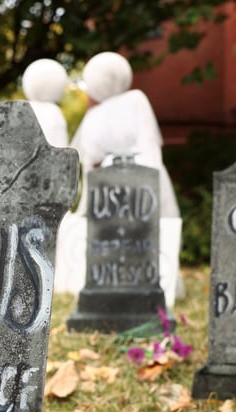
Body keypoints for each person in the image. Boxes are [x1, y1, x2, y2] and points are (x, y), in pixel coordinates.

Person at [66, 52, 184, 306]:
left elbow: (93, 162)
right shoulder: (135, 101)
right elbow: (148, 146)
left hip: (109, 184)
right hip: (137, 179)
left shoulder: (99, 114)